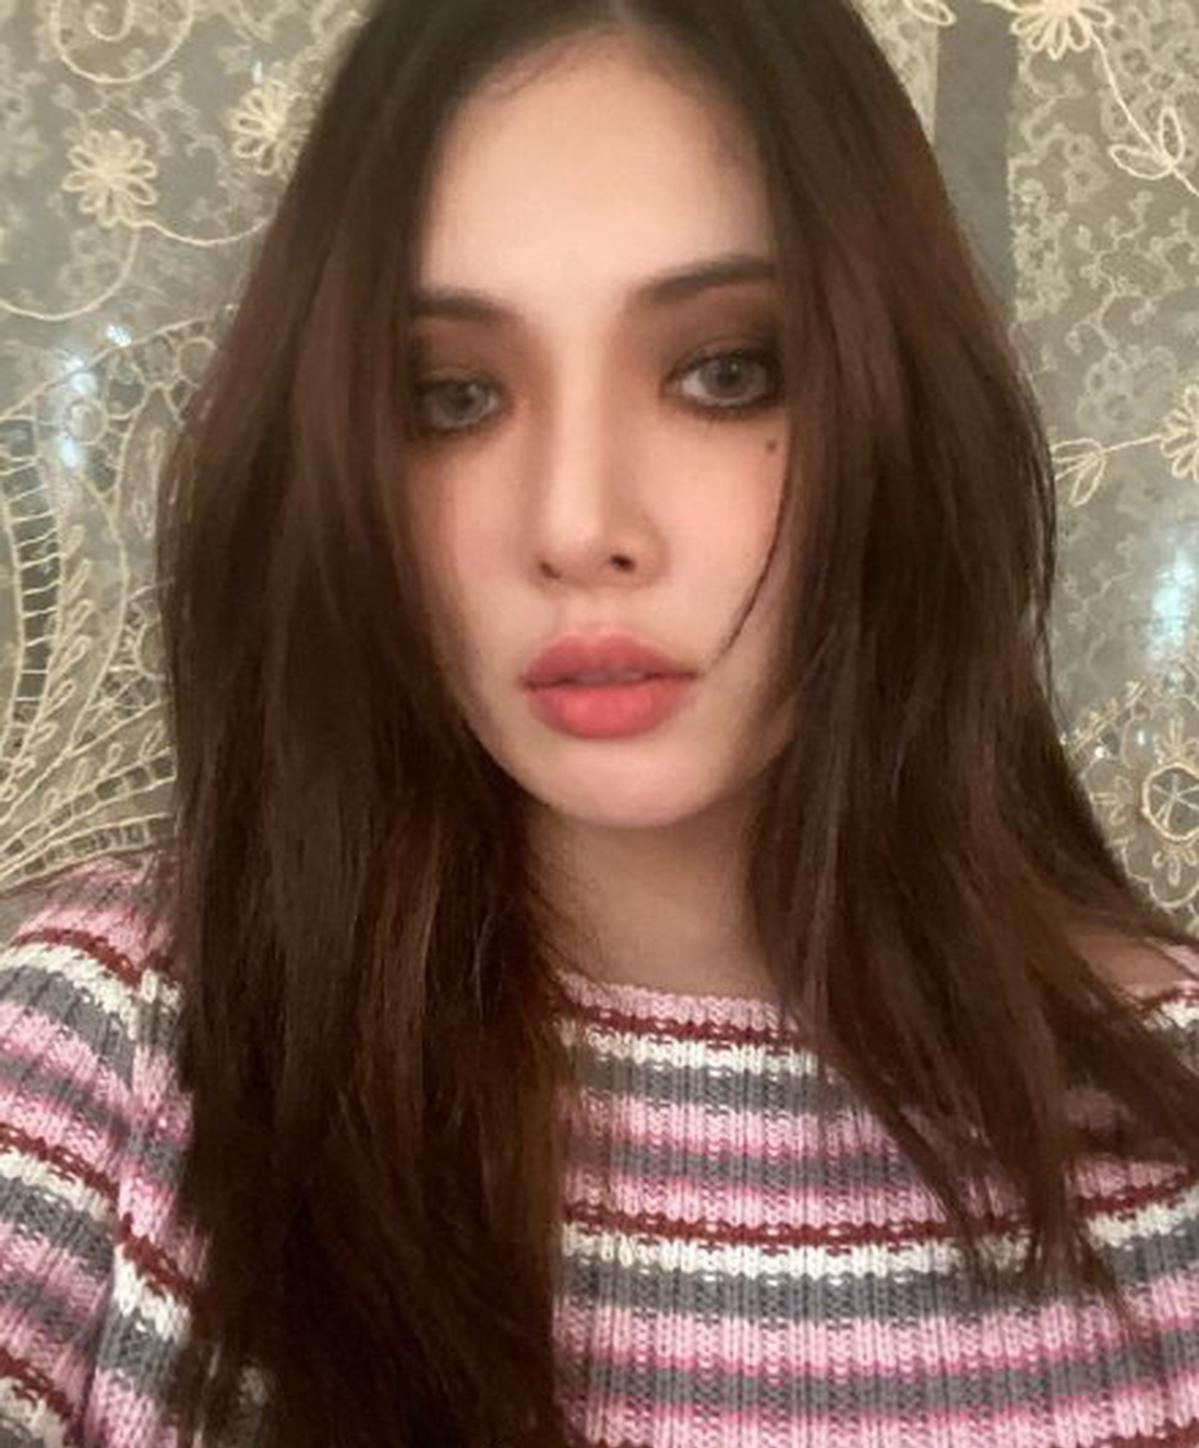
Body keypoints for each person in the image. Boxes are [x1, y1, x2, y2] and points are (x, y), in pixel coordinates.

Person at [3, 0, 1199, 1443]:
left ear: (900, 418)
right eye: (453, 396)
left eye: (725, 373)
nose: (577, 526)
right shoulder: (108, 1059)